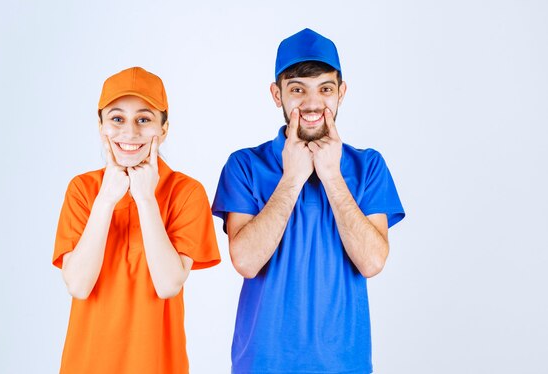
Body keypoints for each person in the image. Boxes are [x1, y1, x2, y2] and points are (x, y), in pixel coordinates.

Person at [212, 28, 405, 373]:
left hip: (344, 365)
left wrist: (331, 175)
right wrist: (292, 177)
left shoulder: (368, 166)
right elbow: (245, 261)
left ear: (341, 93)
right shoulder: (244, 165)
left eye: (325, 89)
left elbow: (372, 262)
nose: (313, 103)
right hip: (262, 364)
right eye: (298, 89)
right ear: (277, 94)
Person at [53, 66, 221, 374]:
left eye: (144, 119)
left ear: (164, 129)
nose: (130, 132)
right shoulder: (83, 190)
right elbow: (78, 284)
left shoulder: (186, 192)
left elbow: (169, 283)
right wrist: (106, 199)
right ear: (101, 126)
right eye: (117, 119)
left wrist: (145, 198)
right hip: (86, 364)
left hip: (158, 364)